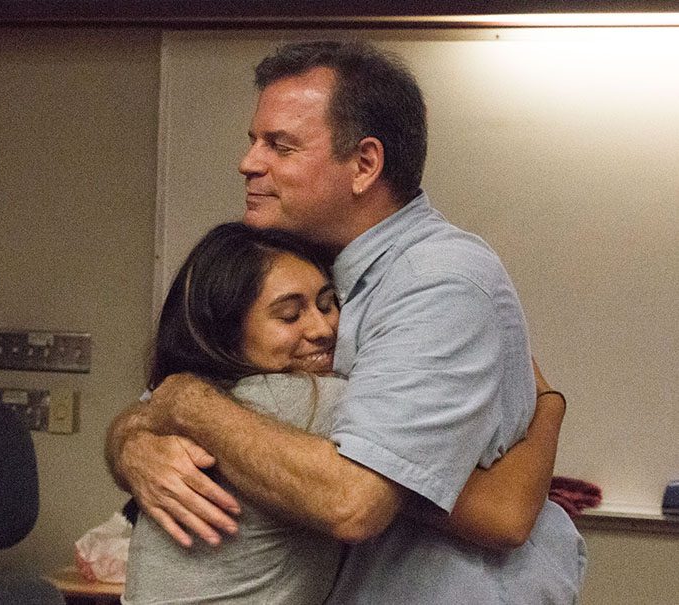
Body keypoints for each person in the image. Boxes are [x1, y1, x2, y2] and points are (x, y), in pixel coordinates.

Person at [108, 40, 585, 603]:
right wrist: (132, 440)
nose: (250, 162)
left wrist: (182, 404)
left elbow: (353, 501)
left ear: (364, 165)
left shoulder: (436, 281)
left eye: (280, 146)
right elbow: (178, 397)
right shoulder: (320, 268)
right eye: (253, 141)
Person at [122, 222, 568, 604]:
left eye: (326, 303)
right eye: (289, 315)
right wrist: (550, 406)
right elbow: (505, 514)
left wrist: (138, 427)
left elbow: (148, 409)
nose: (322, 329)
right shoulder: (303, 404)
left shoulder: (199, 401)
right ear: (227, 332)